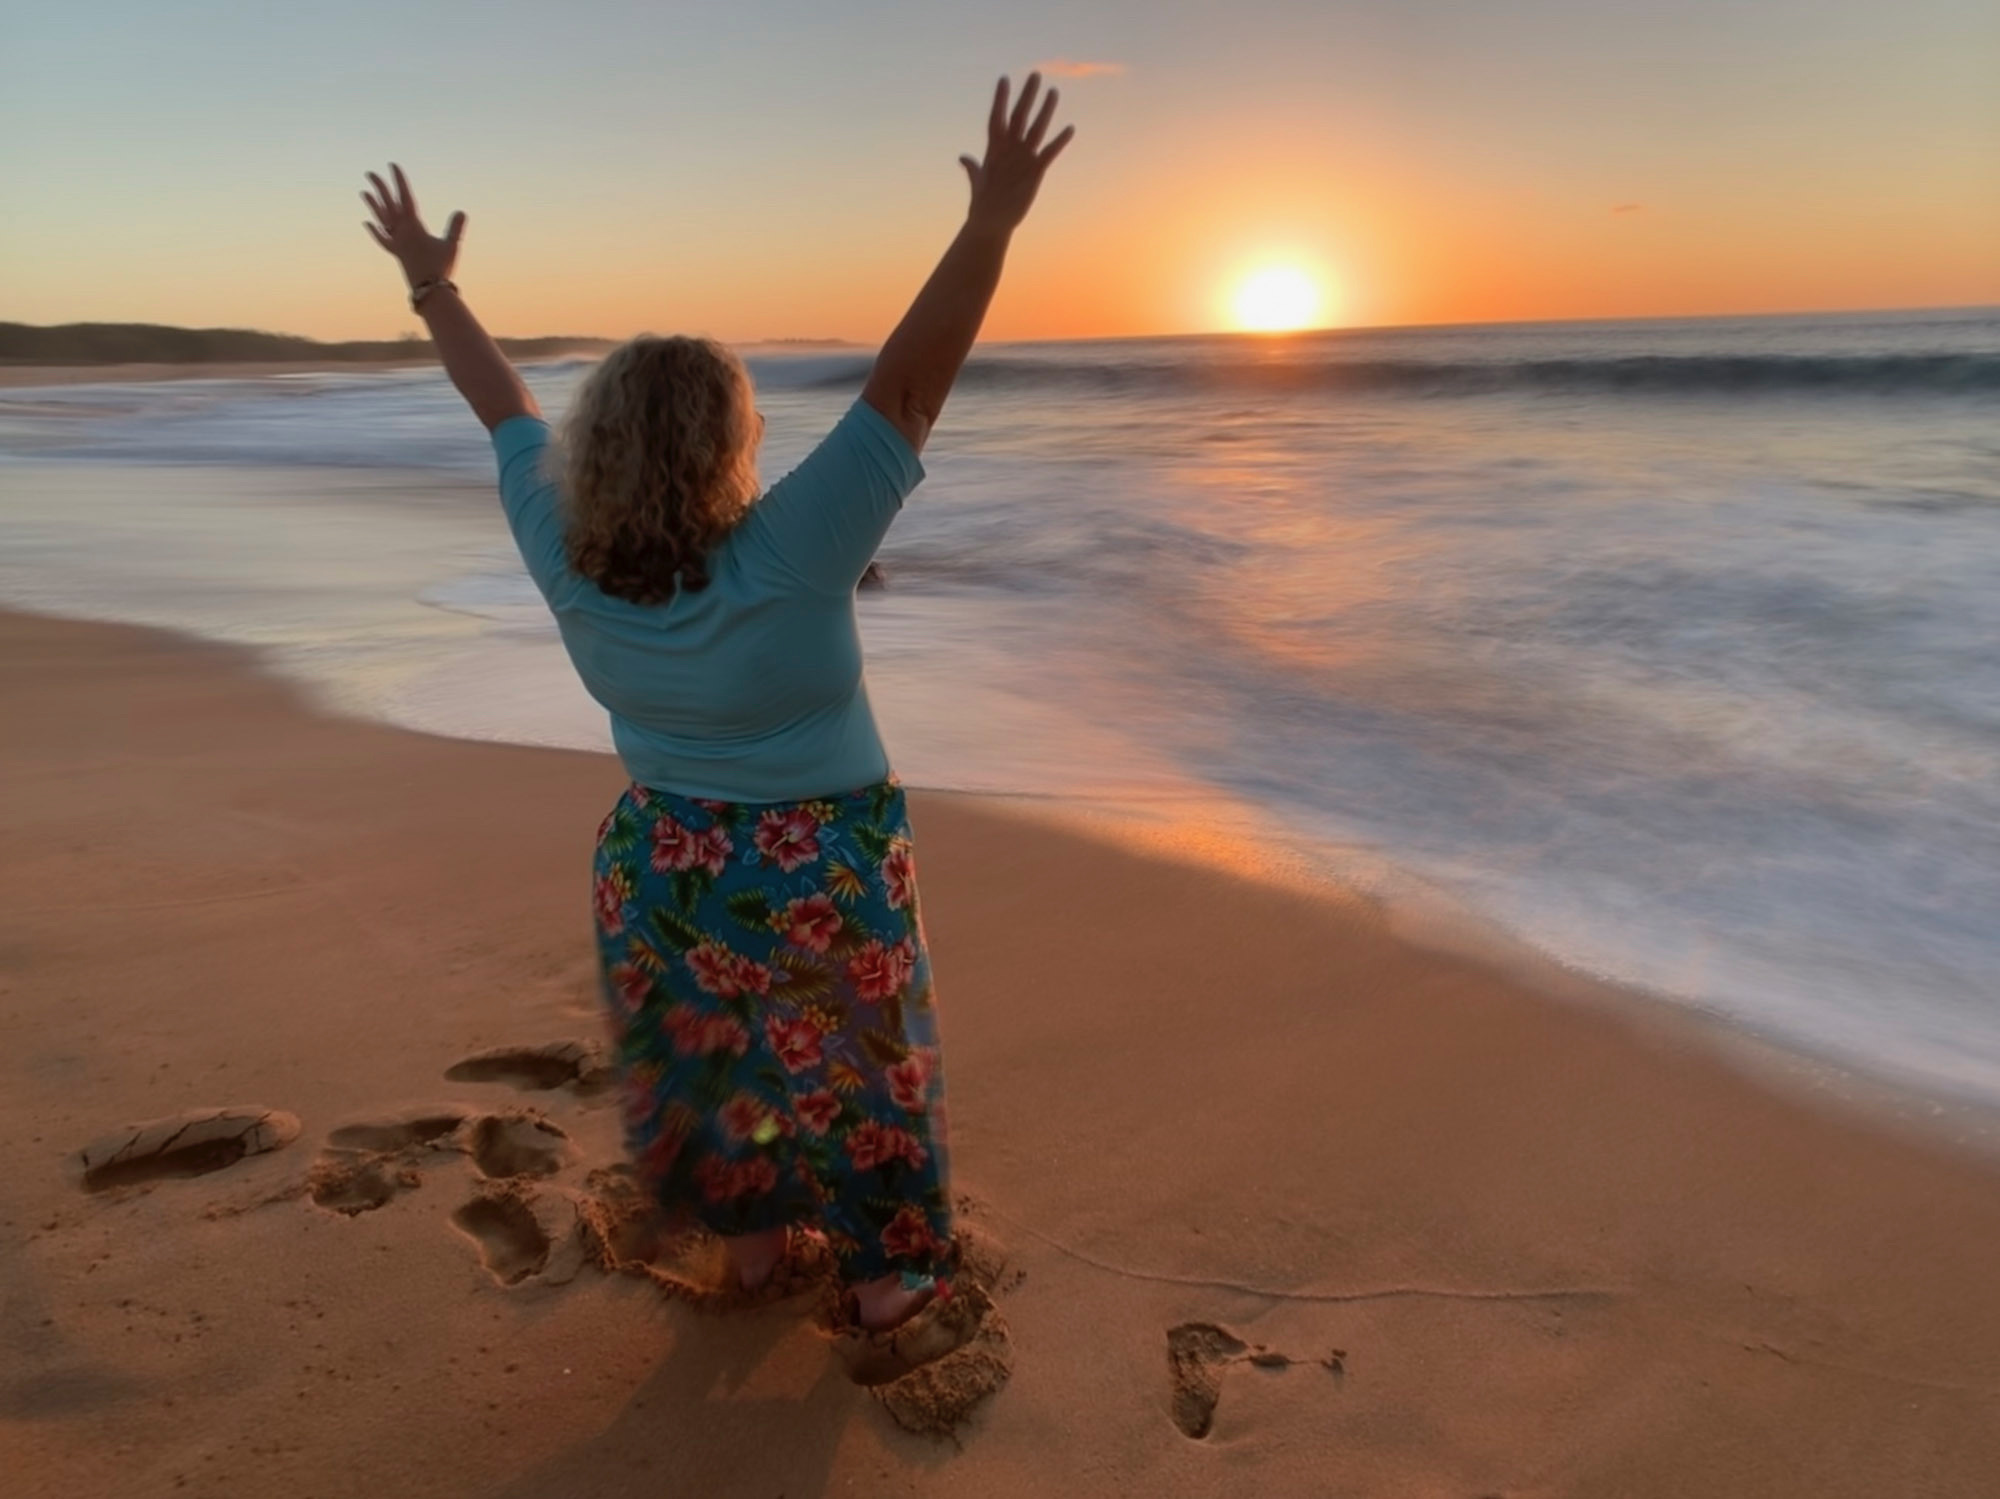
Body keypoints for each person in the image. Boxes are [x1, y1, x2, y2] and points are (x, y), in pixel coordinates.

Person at [360, 76, 1073, 1343]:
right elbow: (909, 391)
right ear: (730, 440)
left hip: (662, 864)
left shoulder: (556, 540)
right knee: (858, 1075)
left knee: (711, 1066)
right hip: (818, 862)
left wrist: (431, 285)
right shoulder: (797, 543)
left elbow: (502, 406)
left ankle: (752, 1253)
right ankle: (887, 1280)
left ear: (602, 450)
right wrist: (991, 225)